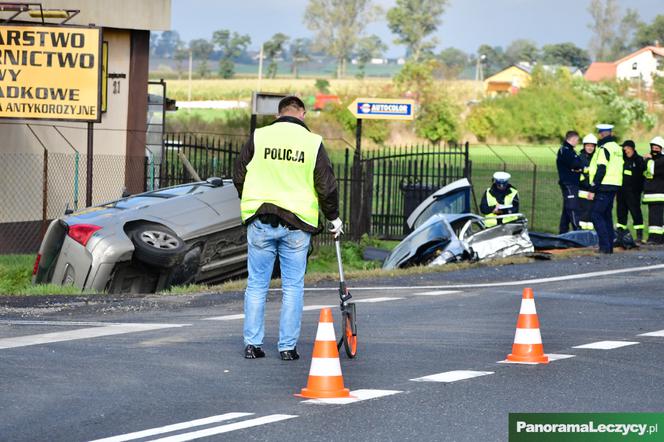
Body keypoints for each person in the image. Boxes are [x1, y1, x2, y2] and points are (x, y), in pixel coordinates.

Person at [233, 96, 341, 360]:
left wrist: (252, 201)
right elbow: (326, 185)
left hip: (261, 219)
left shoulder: (259, 136)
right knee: (292, 287)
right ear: (301, 114)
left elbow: (238, 174)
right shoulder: (311, 142)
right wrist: (333, 217)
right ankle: (287, 348)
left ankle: (252, 345)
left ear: (279, 114)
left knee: (257, 285)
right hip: (297, 224)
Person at [588, 124, 623, 254]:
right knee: (606, 215)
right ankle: (609, 247)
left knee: (596, 215)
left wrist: (593, 188)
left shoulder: (604, 148)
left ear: (601, 134)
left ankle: (604, 246)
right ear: (611, 133)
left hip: (604, 185)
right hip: (615, 185)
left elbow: (601, 169)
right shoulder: (617, 148)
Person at [616, 140, 645, 242]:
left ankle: (639, 235)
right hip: (621, 193)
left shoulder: (639, 160)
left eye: (626, 148)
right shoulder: (621, 159)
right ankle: (620, 235)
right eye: (623, 148)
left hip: (633, 193)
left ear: (631, 148)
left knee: (636, 213)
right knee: (621, 214)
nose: (624, 150)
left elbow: (642, 175)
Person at [556, 131, 583, 233]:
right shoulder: (565, 150)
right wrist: (578, 168)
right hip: (568, 183)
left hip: (573, 183)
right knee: (572, 207)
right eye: (577, 140)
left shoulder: (571, 151)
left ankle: (563, 231)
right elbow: (576, 164)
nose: (577, 142)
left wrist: (578, 167)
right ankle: (577, 230)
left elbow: (578, 164)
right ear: (573, 139)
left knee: (567, 208)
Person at [643, 136, 664, 244]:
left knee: (656, 218)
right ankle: (659, 238)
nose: (654, 149)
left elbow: (651, 170)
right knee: (655, 217)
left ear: (661, 149)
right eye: (653, 147)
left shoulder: (661, 160)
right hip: (652, 194)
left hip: (659, 194)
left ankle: (655, 238)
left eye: (657, 148)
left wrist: (648, 159)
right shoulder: (654, 160)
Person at [577, 134, 597, 230]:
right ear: (584, 146)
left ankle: (589, 234)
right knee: (583, 212)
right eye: (588, 145)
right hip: (582, 189)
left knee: (591, 212)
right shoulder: (580, 157)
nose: (590, 148)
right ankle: (581, 233)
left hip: (593, 189)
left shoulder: (597, 158)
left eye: (592, 146)